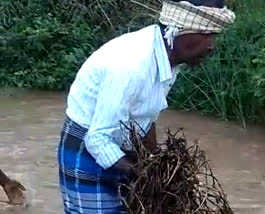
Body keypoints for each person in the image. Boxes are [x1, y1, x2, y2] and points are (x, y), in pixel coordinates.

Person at [57, 0, 235, 213]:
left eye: (214, 36)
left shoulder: (169, 57)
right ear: (177, 30)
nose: (211, 45)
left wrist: (154, 161)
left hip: (122, 153)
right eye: (205, 34)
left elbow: (146, 115)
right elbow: (97, 139)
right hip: (86, 149)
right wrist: (149, 176)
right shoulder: (132, 65)